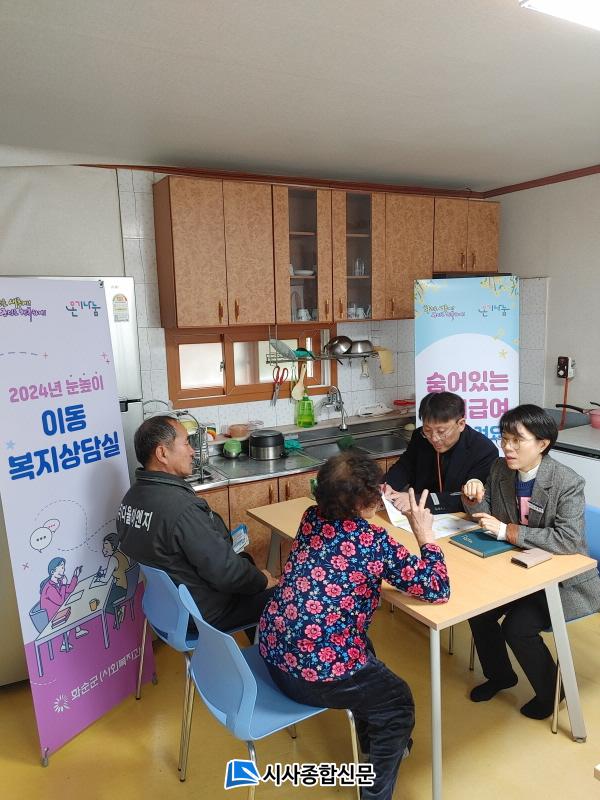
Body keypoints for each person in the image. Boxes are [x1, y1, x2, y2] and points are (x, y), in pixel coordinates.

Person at [259, 452, 450, 800]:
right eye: (376, 491)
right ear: (364, 502)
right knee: (397, 702)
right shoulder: (373, 541)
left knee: (367, 659)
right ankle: (375, 791)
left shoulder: (311, 517)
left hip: (273, 651)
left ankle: (371, 745)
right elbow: (436, 588)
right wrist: (425, 535)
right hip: (311, 675)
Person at [462, 404, 600, 719]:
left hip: (564, 581)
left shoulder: (567, 482)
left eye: (517, 440)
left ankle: (552, 695)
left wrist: (507, 531)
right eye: (504, 438)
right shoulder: (500, 469)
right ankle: (501, 676)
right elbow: (487, 515)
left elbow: (567, 540)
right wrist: (473, 498)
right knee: (479, 613)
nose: (507, 447)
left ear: (542, 444)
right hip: (520, 571)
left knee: (517, 627)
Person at [117, 415, 278, 635]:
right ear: (162, 453)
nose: (192, 451)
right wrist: (263, 581)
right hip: (203, 614)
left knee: (245, 562)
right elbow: (226, 573)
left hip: (167, 607)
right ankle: (261, 653)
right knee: (283, 595)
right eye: (186, 443)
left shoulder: (130, 499)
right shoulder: (182, 510)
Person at [383, 391, 498, 514]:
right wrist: (386, 486)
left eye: (441, 431)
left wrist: (417, 500)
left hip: (459, 518)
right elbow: (404, 467)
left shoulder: (483, 450)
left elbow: (471, 498)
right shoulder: (420, 437)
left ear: (461, 424)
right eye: (427, 430)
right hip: (419, 514)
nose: (434, 438)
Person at [39, 557, 88, 651]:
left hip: (59, 611)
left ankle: (77, 630)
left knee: (73, 606)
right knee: (70, 612)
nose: (64, 570)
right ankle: (64, 644)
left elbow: (69, 589)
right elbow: (61, 601)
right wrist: (64, 584)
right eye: (61, 568)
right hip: (52, 617)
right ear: (53, 571)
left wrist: (75, 576)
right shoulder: (49, 588)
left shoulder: (58, 582)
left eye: (64, 567)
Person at [93, 534, 131, 625]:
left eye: (106, 547)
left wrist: (97, 579)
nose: (104, 549)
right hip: (129, 586)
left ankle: (119, 611)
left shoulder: (113, 559)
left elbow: (105, 580)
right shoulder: (119, 554)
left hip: (122, 588)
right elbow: (116, 569)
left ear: (113, 547)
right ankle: (119, 609)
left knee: (104, 605)